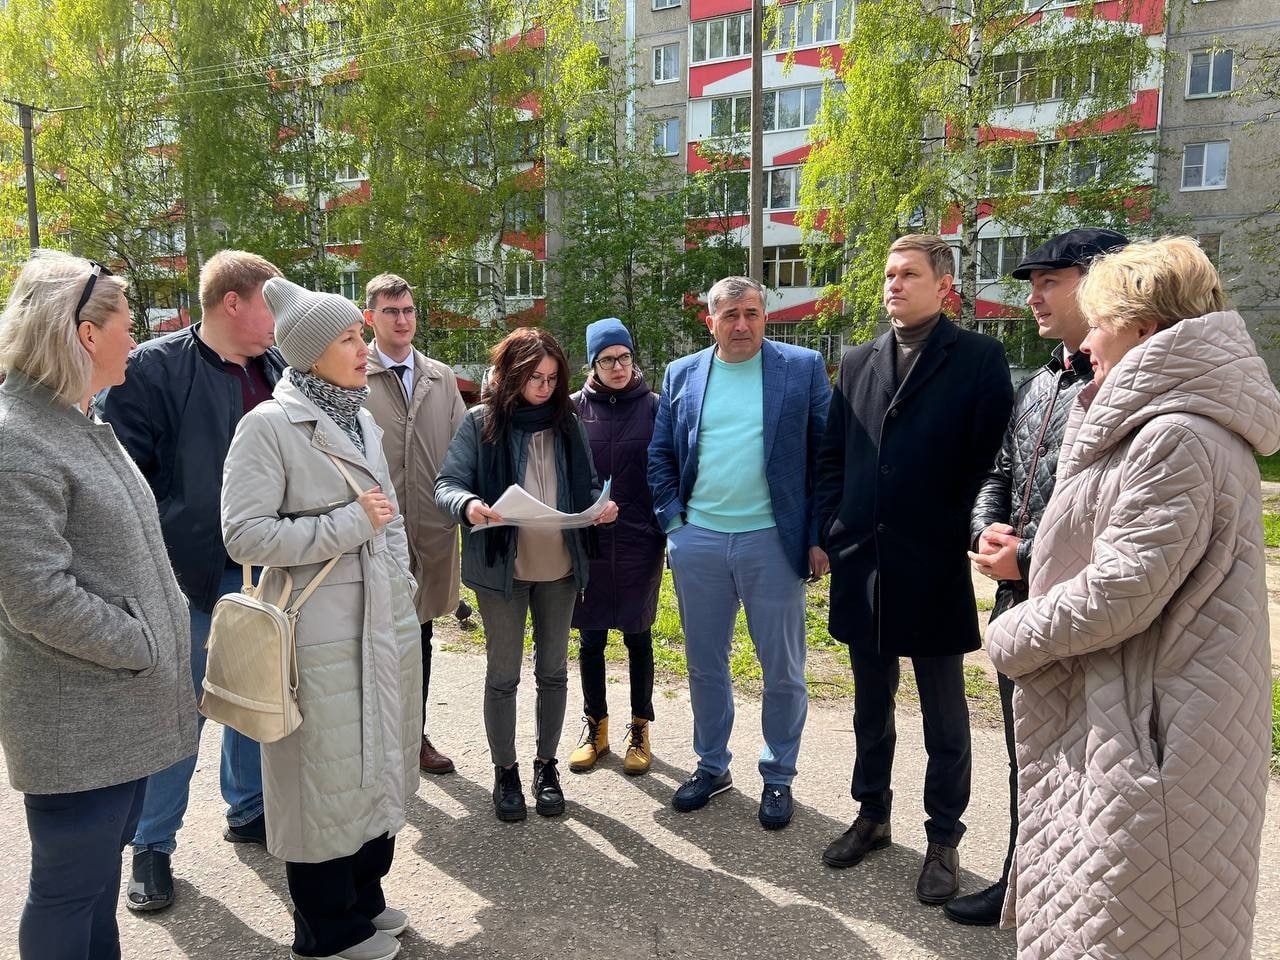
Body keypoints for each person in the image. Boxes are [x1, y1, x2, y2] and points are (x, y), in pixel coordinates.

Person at [986, 237, 1280, 959]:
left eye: (1098, 324)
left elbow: (1119, 591)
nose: (1086, 344)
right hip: (1135, 712)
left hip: (1152, 729)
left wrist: (1010, 634)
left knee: (1136, 923)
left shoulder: (1175, 436)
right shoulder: (1156, 422)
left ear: (1143, 328)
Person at [0, 251, 198, 959]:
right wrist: (142, 642)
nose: (136, 340)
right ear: (86, 334)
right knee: (67, 890)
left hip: (115, 710)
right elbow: (35, 593)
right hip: (76, 719)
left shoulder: (74, 422)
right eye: (127, 324)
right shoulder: (17, 437)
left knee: (94, 885)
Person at [222, 278, 421, 960]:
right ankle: (325, 931)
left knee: (374, 767)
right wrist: (345, 525)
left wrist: (402, 582)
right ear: (309, 354)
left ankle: (363, 900)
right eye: (348, 338)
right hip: (318, 633)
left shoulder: (360, 417)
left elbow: (388, 518)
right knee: (321, 781)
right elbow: (243, 536)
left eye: (361, 335)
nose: (365, 347)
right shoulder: (268, 427)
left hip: (383, 623)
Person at [815, 234, 1013, 902]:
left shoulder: (978, 358)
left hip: (931, 564)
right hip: (863, 565)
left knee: (943, 716)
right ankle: (871, 815)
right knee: (870, 707)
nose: (893, 285)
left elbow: (991, 461)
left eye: (908, 274)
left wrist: (965, 530)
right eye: (889, 274)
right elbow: (834, 454)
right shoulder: (858, 359)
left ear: (943, 285)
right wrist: (834, 526)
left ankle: (943, 839)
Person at [948, 227, 1129, 926]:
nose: (1033, 297)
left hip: (1083, 610)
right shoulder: (1041, 384)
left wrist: (1027, 557)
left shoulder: (1122, 389)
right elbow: (999, 472)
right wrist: (983, 529)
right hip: (1018, 605)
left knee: (1093, 766)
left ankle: (1081, 901)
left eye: (1049, 281)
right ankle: (1022, 883)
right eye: (1030, 284)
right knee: (1029, 751)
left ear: (1102, 282)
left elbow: (1119, 520)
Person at [99, 249, 283, 911]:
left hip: (267, 572)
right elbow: (120, 485)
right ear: (233, 302)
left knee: (254, 695)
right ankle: (151, 846)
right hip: (185, 578)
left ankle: (249, 808)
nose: (279, 319)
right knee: (180, 716)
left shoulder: (276, 368)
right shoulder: (151, 370)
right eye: (270, 303)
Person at [648, 276, 830, 830]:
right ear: (711, 321)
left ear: (765, 317)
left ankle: (778, 775)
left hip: (772, 541)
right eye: (730, 315)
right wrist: (675, 525)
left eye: (752, 312)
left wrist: (817, 535)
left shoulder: (802, 368)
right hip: (699, 542)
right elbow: (660, 454)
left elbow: (826, 457)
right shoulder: (682, 374)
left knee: (783, 670)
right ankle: (712, 766)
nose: (742, 324)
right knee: (705, 666)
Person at [435, 327, 617, 822]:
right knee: (503, 676)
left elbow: (589, 484)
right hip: (503, 570)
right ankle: (506, 772)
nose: (544, 387)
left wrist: (601, 507)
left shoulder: (567, 422)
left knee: (553, 672)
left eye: (553, 378)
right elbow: (447, 483)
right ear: (512, 374)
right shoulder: (480, 422)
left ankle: (546, 767)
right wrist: (468, 504)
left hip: (560, 567)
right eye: (535, 377)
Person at [362, 272, 466, 776]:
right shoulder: (351, 372)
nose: (402, 320)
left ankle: (414, 734)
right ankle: (374, 741)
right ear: (370, 318)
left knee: (419, 636)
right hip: (370, 533)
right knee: (370, 638)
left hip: (430, 532)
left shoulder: (439, 377)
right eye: (391, 311)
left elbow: (463, 446)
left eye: (408, 310)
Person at [568, 318, 666, 775]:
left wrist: (659, 527)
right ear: (592, 364)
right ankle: (596, 729)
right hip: (588, 542)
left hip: (638, 542)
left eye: (624, 357)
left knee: (638, 637)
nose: (618, 367)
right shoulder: (571, 410)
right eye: (607, 360)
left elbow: (669, 470)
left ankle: (640, 729)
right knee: (590, 639)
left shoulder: (656, 407)